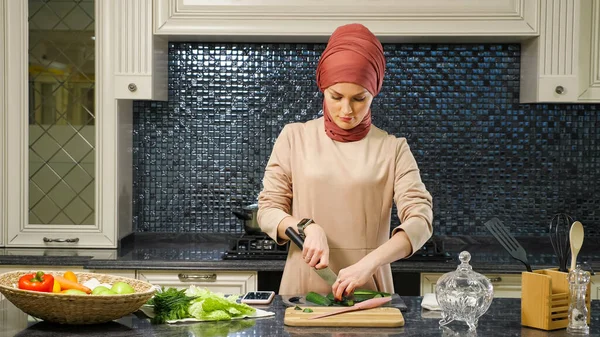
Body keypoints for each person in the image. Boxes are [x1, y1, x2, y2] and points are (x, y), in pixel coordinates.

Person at [257, 23, 433, 299]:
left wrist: (370, 263)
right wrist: (305, 228)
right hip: (302, 285)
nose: (346, 110)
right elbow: (267, 210)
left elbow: (421, 221)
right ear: (322, 89)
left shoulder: (393, 148)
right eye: (336, 97)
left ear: (374, 93)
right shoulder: (294, 137)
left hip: (368, 289)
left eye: (359, 98)